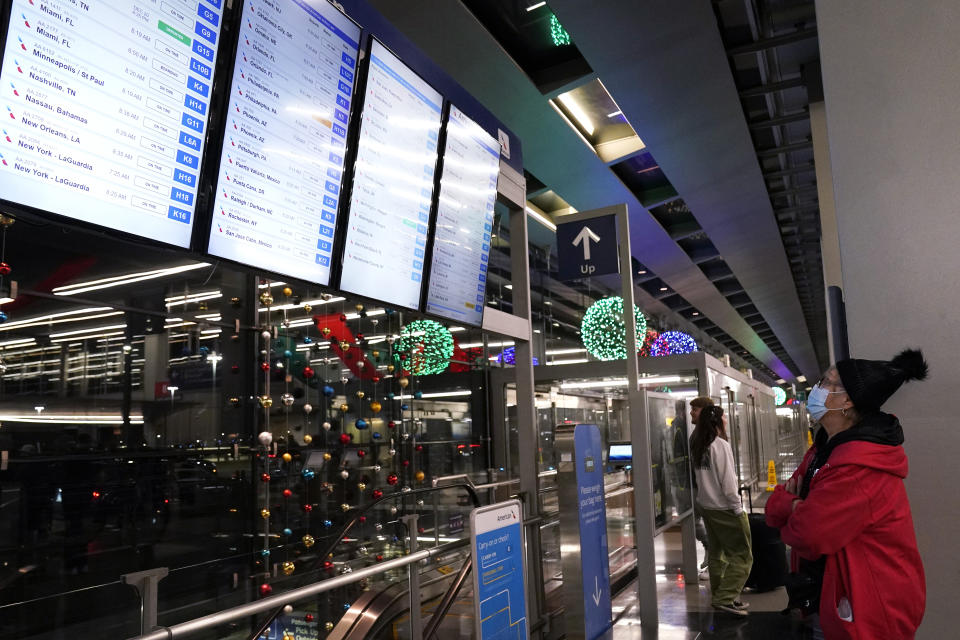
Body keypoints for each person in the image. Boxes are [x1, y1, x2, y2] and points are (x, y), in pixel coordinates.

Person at [765, 349, 927, 639]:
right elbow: (774, 508)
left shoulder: (858, 466)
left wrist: (791, 506)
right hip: (835, 597)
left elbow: (808, 535)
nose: (818, 388)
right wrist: (793, 505)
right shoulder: (825, 449)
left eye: (827, 382)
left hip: (868, 610)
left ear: (847, 400)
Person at [691, 404, 753, 616]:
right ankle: (726, 597)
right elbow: (728, 482)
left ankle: (722, 596)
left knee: (718, 554)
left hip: (706, 506)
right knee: (743, 556)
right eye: (724, 417)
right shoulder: (720, 445)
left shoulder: (699, 445)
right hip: (724, 508)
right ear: (717, 421)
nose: (726, 420)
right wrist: (737, 508)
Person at [689, 397, 714, 578]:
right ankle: (710, 556)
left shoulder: (707, 435)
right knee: (695, 522)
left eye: (695, 409)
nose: (691, 412)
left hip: (703, 489)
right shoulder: (697, 433)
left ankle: (713, 566)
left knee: (710, 527)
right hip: (696, 487)